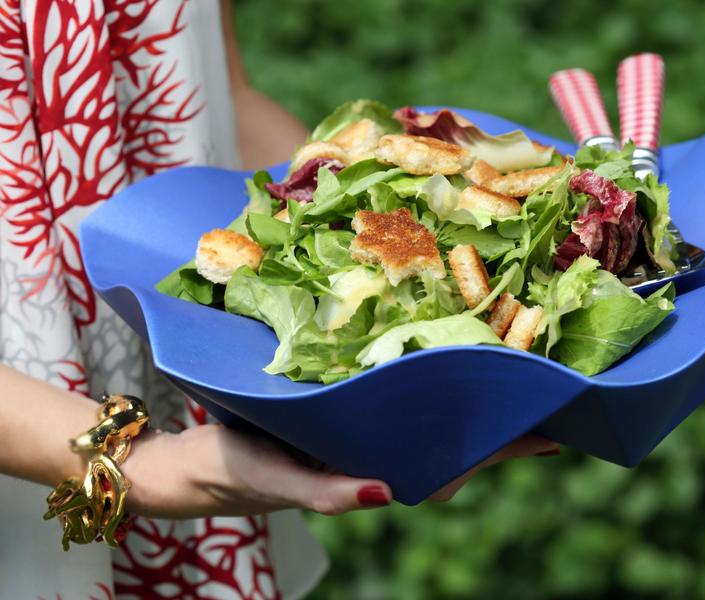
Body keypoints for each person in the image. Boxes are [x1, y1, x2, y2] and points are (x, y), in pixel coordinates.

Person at [0, 1, 557, 598]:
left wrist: (358, 224)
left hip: (201, 409)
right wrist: (136, 464)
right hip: (47, 456)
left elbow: (223, 95)